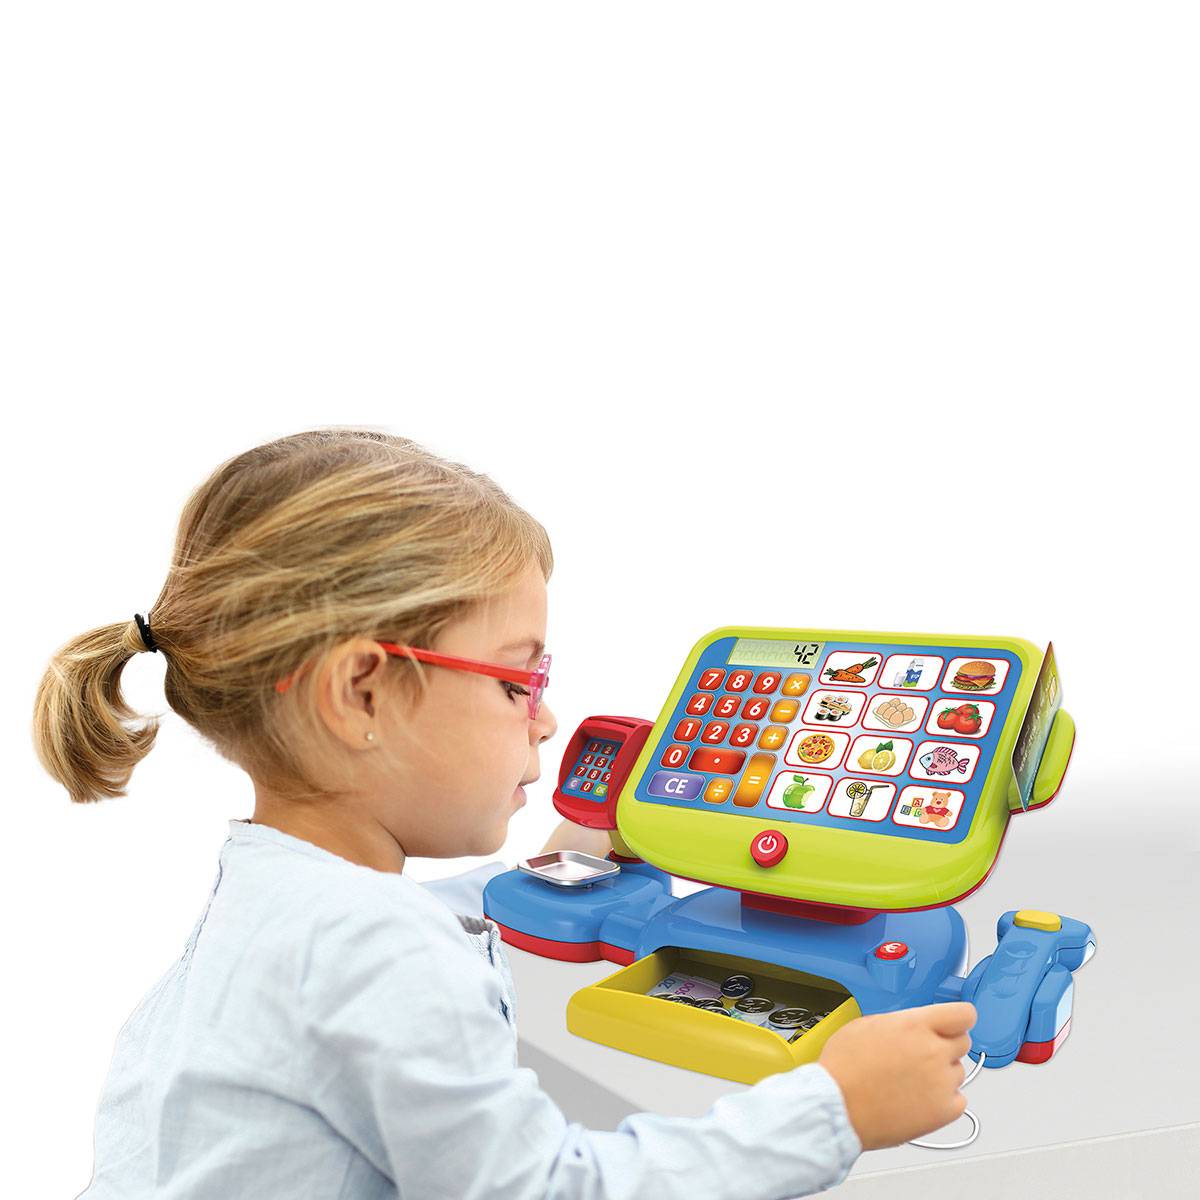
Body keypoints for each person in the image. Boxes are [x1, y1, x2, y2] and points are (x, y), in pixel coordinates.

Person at [33, 428, 976, 1199]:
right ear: (362, 693)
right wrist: (833, 1111)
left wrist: (551, 868)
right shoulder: (375, 947)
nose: (548, 718)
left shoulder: (270, 894)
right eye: (520, 681)